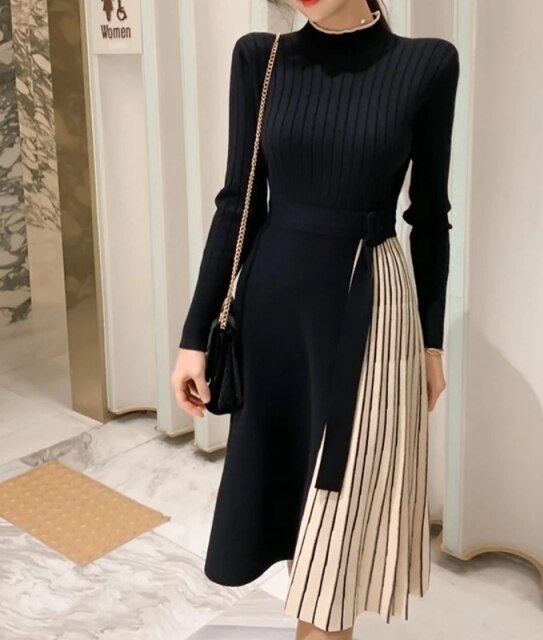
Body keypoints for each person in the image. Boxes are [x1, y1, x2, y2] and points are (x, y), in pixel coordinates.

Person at [171, 1, 459, 638]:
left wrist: (432, 343)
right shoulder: (260, 57)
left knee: (336, 535)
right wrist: (196, 335)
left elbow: (429, 217)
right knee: (287, 511)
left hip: (368, 313)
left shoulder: (427, 64)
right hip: (274, 318)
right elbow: (239, 203)